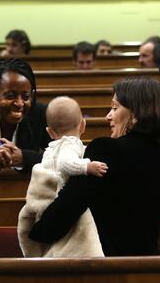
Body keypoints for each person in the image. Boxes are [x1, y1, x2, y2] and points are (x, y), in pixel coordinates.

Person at [28, 77, 160, 256]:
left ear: (136, 115)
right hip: (146, 270)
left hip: (101, 269)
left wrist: (36, 233)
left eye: (115, 108)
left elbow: (67, 208)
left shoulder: (107, 149)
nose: (108, 116)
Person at [18, 96, 107, 258]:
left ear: (50, 132)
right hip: (56, 198)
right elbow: (66, 164)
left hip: (44, 205)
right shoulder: (71, 143)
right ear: (83, 125)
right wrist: (87, 166)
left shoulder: (52, 148)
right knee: (76, 240)